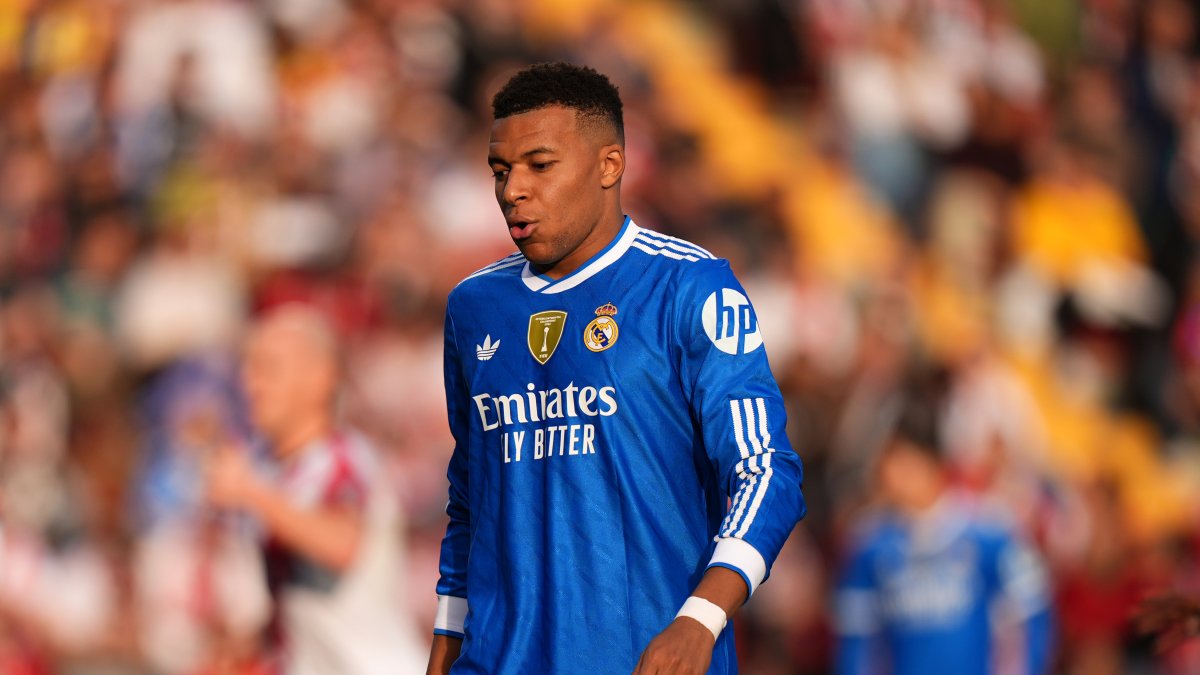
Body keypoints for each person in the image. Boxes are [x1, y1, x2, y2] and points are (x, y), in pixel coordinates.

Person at [427, 62, 807, 674]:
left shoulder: (690, 287)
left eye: (539, 166)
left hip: (643, 659)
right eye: (501, 170)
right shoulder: (473, 308)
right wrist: (446, 647)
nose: (511, 190)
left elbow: (767, 472)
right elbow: (470, 500)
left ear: (610, 165)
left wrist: (700, 619)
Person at [206, 305, 426, 674]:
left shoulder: (342, 459)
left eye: (268, 368)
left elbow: (342, 545)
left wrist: (251, 491)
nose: (250, 383)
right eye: (248, 369)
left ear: (320, 378)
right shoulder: (274, 473)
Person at [833, 393, 1054, 675]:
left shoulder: (991, 529)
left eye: (892, 458)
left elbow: (1032, 614)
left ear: (927, 459)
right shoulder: (868, 544)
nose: (882, 472)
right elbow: (856, 645)